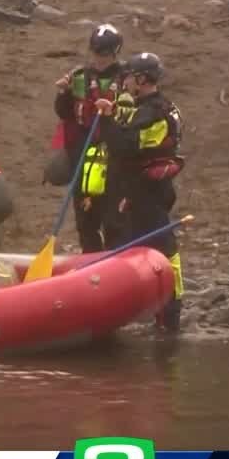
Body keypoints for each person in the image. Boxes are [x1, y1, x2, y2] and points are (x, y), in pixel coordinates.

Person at [96, 52, 185, 331]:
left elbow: (125, 146)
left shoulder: (156, 113)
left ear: (143, 80)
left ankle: (170, 312)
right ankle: (137, 306)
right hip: (139, 190)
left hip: (149, 191)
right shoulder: (146, 107)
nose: (126, 81)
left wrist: (109, 121)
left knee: (162, 247)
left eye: (131, 76)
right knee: (129, 243)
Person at [51, 23, 126, 252]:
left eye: (104, 54)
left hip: (113, 157)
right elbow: (64, 113)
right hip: (83, 155)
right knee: (85, 218)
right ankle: (89, 258)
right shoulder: (80, 76)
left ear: (115, 53)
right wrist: (64, 93)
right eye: (95, 52)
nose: (99, 59)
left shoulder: (127, 78)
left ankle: (115, 260)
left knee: (113, 217)